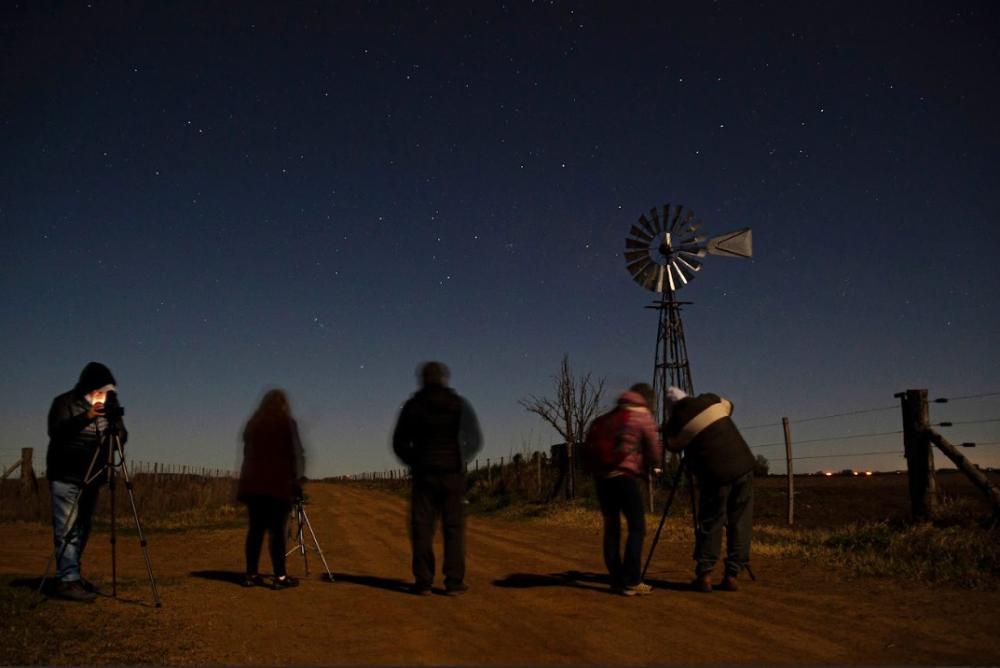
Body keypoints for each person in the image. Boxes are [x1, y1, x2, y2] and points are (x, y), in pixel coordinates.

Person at [392, 361, 482, 595]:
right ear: (444, 378)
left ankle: (423, 581)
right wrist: (461, 459)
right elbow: (474, 439)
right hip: (452, 474)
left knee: (422, 528)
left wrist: (414, 460)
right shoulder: (458, 404)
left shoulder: (413, 406)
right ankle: (453, 581)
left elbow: (399, 442)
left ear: (422, 379)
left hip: (424, 475)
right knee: (453, 528)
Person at [46, 361, 126, 602]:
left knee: (83, 527)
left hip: (93, 476)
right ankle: (67, 579)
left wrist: (116, 427)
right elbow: (57, 432)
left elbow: (122, 436)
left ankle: (72, 573)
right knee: (67, 529)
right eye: (100, 389)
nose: (103, 394)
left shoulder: (110, 405)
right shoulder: (64, 402)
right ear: (89, 388)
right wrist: (87, 416)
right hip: (66, 475)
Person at [663, 386, 755, 593]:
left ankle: (704, 574)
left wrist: (670, 425)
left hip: (715, 474)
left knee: (712, 521)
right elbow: (730, 406)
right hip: (743, 466)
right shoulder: (710, 400)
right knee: (740, 522)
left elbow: (672, 446)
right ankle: (732, 574)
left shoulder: (676, 425)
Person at [592, 383, 662, 596]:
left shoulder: (612, 415)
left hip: (602, 479)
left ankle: (616, 579)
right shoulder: (641, 415)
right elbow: (653, 445)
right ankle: (632, 580)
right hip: (623, 477)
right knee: (637, 527)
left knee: (612, 528)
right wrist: (656, 466)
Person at [237, 389, 305, 590]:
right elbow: (295, 454)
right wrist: (296, 481)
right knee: (277, 532)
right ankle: (280, 577)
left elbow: (247, 453)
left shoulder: (253, 424)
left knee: (255, 530)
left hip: (254, 485)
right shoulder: (286, 423)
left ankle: (250, 574)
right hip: (277, 485)